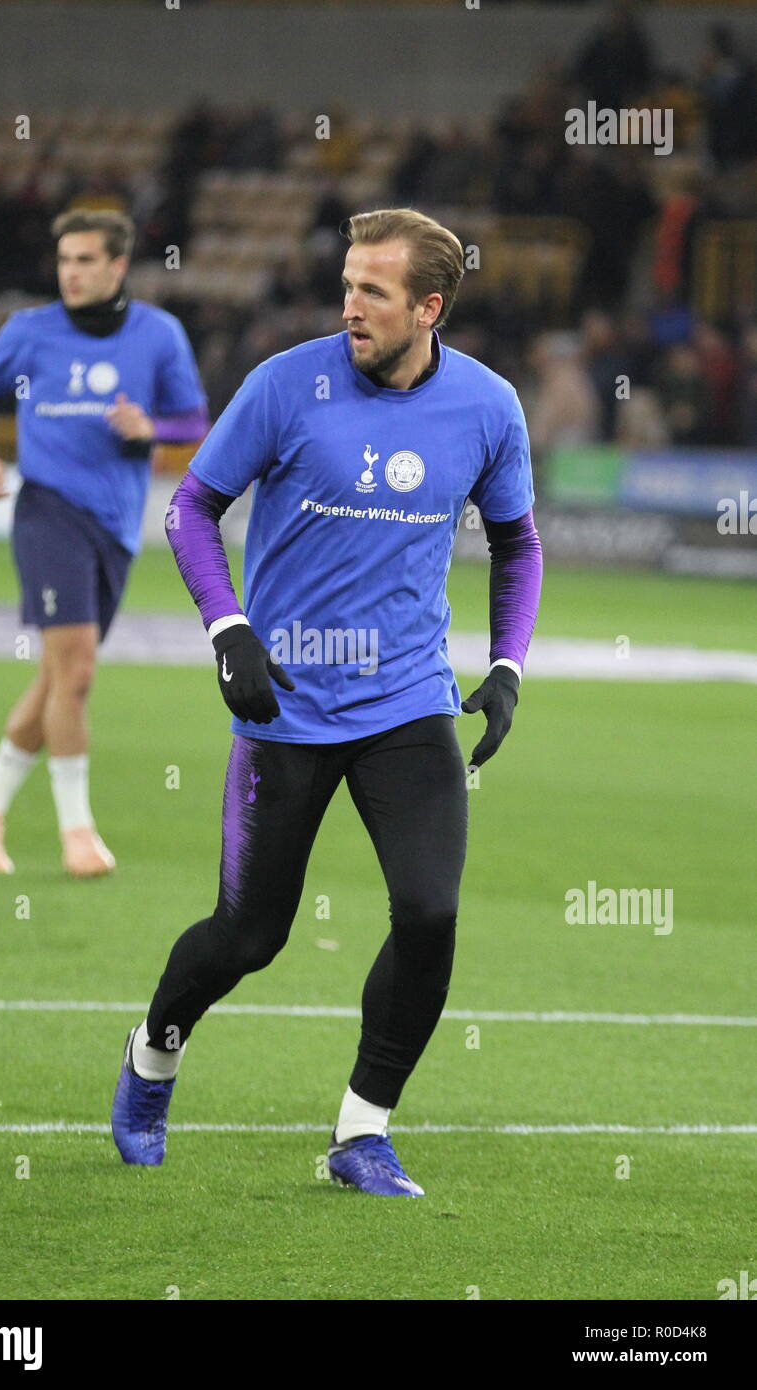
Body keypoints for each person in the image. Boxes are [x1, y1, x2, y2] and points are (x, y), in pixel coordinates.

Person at [111, 207, 543, 1195]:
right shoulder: (283, 385)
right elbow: (190, 506)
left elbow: (515, 542)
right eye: (346, 283)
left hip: (407, 702)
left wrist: (507, 664)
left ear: (427, 307)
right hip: (287, 704)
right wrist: (229, 629)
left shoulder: (486, 407)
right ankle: (153, 1052)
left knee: (429, 912)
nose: (348, 304)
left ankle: (360, 1132)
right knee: (248, 935)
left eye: (372, 291)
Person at [0, 209, 209, 877]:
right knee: (80, 674)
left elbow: (192, 419)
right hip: (46, 512)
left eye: (86, 260)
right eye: (64, 259)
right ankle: (77, 835)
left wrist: (149, 425)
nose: (71, 271)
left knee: (59, 676)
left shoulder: (159, 334)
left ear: (118, 266)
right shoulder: (29, 332)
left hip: (117, 525)